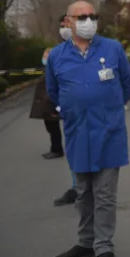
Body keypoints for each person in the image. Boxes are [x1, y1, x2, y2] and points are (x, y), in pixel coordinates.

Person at [47, 0, 130, 257]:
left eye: (92, 16)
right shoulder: (57, 57)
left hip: (109, 134)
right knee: (83, 194)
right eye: (82, 16)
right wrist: (73, 110)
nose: (88, 20)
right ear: (69, 21)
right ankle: (85, 242)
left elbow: (128, 83)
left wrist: (108, 110)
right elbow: (53, 91)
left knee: (105, 194)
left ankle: (104, 247)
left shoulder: (112, 48)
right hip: (77, 134)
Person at [52, 14, 79, 207]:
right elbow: (53, 88)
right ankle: (78, 188)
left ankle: (87, 191)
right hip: (72, 116)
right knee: (74, 153)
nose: (64, 29)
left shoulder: (94, 51)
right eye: (62, 26)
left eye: (67, 25)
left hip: (94, 114)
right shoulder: (58, 55)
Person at [30, 47, 62, 159]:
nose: (43, 58)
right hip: (46, 104)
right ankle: (54, 148)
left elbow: (54, 89)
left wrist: (55, 106)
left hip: (51, 104)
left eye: (45, 56)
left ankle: (57, 150)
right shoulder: (48, 69)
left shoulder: (53, 70)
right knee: (50, 127)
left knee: (53, 128)